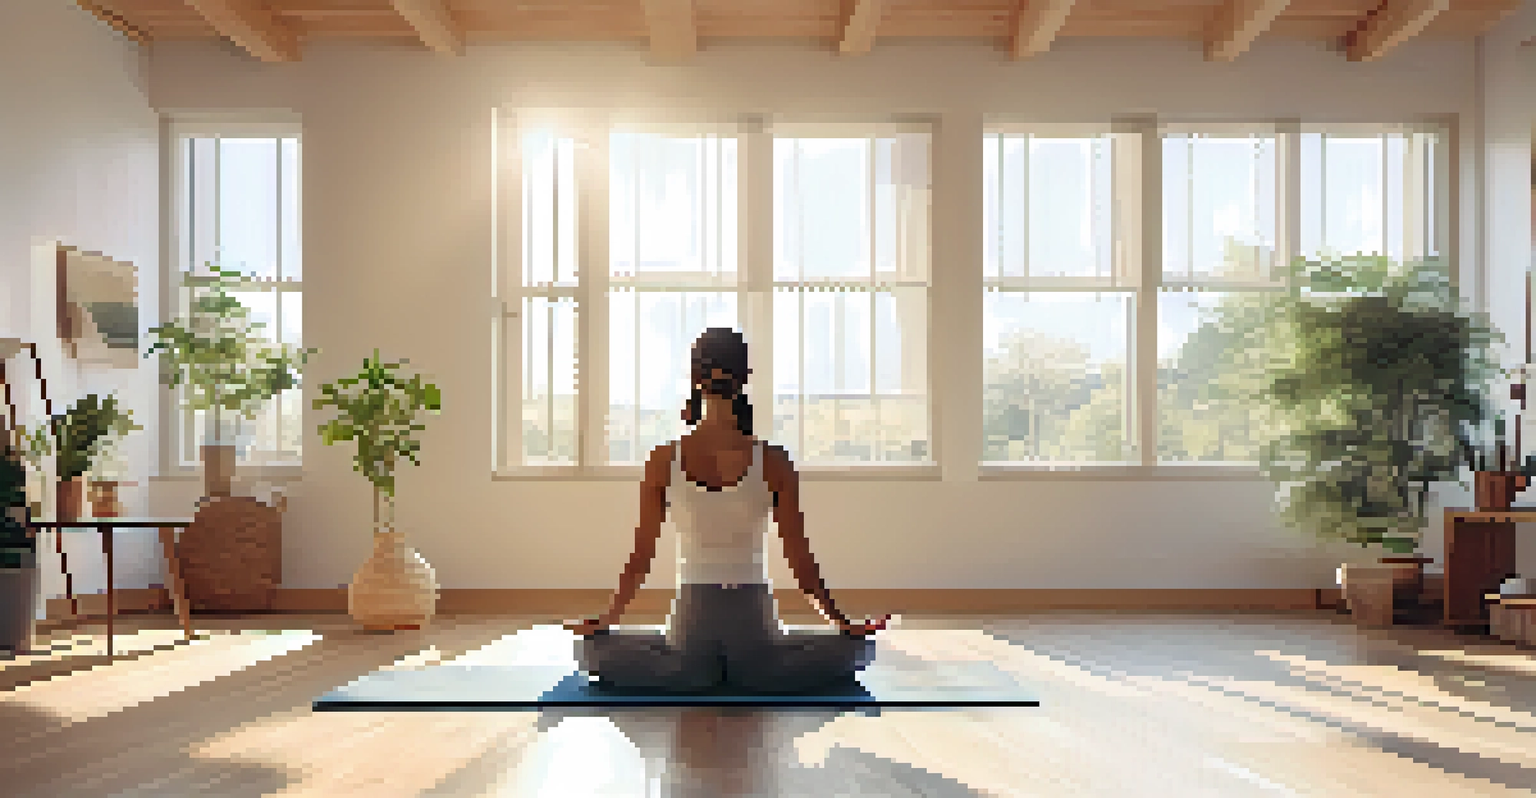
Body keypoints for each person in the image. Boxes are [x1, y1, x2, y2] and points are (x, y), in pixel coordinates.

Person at [566, 327, 890, 694]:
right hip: (756, 643)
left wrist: (606, 619)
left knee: (588, 650)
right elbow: (802, 567)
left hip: (691, 634)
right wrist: (843, 623)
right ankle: (748, 671)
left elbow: (640, 560)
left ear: (694, 378)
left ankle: (698, 674)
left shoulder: (662, 460)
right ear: (745, 379)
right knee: (860, 649)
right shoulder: (773, 461)